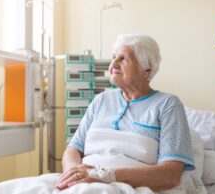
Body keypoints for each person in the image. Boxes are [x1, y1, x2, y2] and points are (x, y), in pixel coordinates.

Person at [56, 34, 195, 192]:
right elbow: (73, 149)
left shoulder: (167, 104)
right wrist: (74, 174)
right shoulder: (100, 101)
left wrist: (102, 175)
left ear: (146, 71)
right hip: (82, 184)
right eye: (114, 57)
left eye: (123, 59)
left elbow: (171, 175)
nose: (113, 64)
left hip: (130, 187)